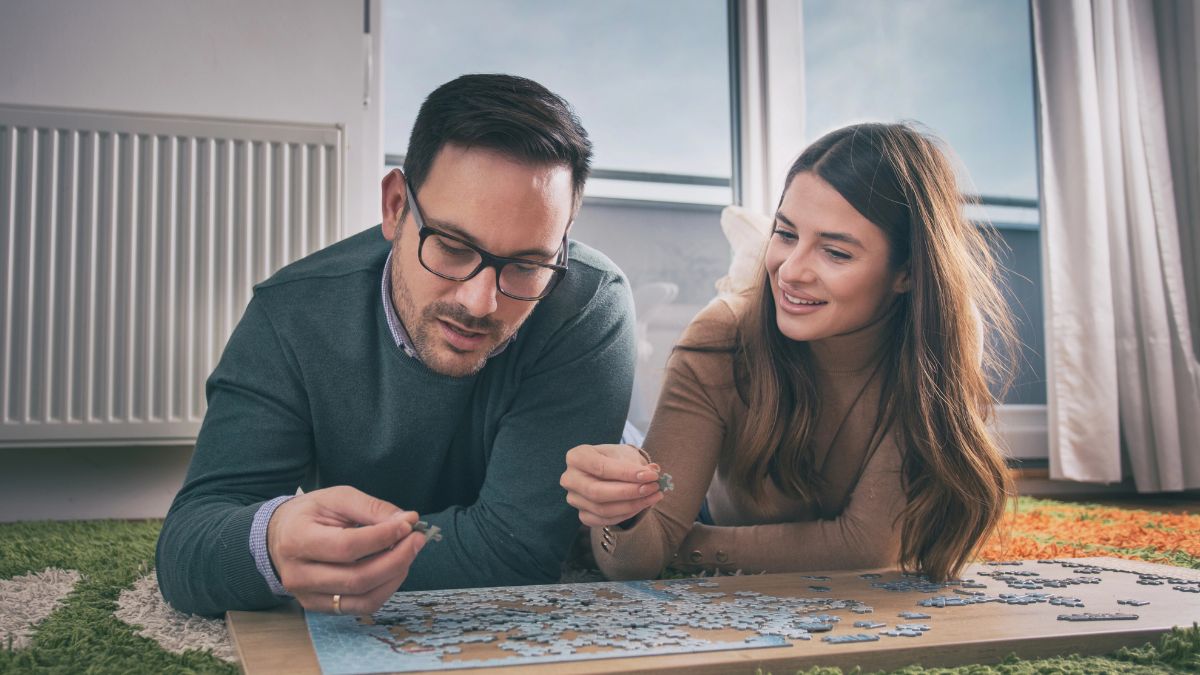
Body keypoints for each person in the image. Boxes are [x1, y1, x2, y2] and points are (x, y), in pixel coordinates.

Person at [157, 74, 637, 617]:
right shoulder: (291, 312)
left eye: (527, 266)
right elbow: (187, 542)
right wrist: (270, 542)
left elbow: (517, 551)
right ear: (394, 207)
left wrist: (368, 550)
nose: (481, 304)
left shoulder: (590, 303)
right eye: (454, 248)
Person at [560, 123, 1014, 581]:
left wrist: (683, 545)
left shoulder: (936, 343)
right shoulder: (722, 336)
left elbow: (868, 546)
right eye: (785, 234)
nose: (791, 272)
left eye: (836, 252)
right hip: (707, 500)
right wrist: (625, 518)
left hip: (704, 528)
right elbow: (636, 558)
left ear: (907, 274)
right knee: (615, 454)